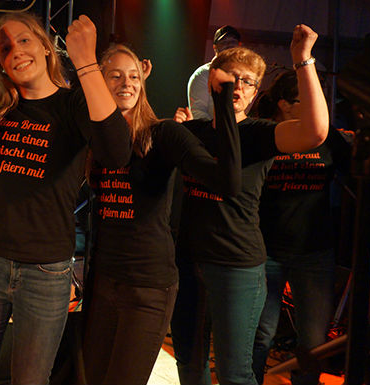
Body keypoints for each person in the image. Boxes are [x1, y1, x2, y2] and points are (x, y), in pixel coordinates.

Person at [0, 13, 132, 385]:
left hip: (45, 270)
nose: (16, 52)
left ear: (46, 47)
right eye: (5, 49)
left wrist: (86, 63)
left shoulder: (73, 104)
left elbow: (117, 152)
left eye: (24, 40)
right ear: (1, 65)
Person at [171, 24, 329, 385]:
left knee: (235, 373)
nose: (238, 87)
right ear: (212, 80)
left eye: (248, 82)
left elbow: (315, 132)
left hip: (236, 265)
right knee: (189, 366)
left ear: (256, 93)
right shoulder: (193, 133)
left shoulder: (258, 133)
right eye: (232, 78)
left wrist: (303, 60)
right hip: (188, 263)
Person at [81, 43, 242, 385]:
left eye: (133, 76)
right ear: (99, 82)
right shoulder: (94, 139)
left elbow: (227, 182)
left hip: (147, 287)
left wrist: (223, 103)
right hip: (104, 281)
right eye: (115, 76)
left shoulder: (163, 134)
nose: (126, 83)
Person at [250, 70, 352, 385]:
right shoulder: (265, 133)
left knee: (314, 341)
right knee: (260, 333)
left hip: (314, 253)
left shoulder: (327, 136)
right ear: (284, 104)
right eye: (305, 99)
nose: (316, 106)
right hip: (267, 251)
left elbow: (356, 171)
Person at [187, 25, 241, 119]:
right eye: (224, 42)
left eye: (233, 41)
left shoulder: (243, 74)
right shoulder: (203, 74)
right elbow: (197, 111)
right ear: (215, 47)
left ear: (239, 46)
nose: (229, 45)